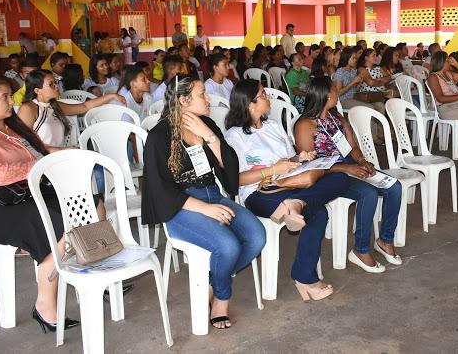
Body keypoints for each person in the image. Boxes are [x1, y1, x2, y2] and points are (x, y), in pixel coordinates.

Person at [142, 75, 265, 328]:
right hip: (181, 207)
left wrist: (210, 136)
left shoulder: (206, 125)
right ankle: (221, 297)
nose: (209, 98)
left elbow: (230, 177)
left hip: (213, 196)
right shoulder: (159, 136)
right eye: (202, 94)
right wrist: (206, 209)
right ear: (183, 100)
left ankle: (211, 280)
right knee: (228, 246)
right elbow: (160, 190)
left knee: (257, 236)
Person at [0, 74, 80, 332]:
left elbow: (41, 151)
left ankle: (93, 272)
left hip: (24, 193)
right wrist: (42, 166)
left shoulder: (10, 127)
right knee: (56, 222)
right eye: (5, 97)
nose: (12, 101)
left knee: (87, 203)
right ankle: (45, 305)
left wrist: (71, 152)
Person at [225, 79, 346, 301]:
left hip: (290, 184)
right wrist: (272, 171)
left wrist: (298, 158)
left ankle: (296, 205)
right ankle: (305, 278)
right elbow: (235, 180)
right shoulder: (235, 136)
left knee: (339, 176)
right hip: (259, 192)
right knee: (319, 212)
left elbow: (288, 160)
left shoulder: (274, 126)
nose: (268, 97)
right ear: (250, 104)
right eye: (263, 95)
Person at [295, 76, 403, 273]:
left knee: (393, 186)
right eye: (335, 90)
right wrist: (346, 168)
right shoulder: (305, 125)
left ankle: (384, 240)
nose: (338, 92)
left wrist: (362, 161)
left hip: (348, 166)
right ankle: (360, 250)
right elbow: (308, 166)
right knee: (368, 193)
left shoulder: (337, 119)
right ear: (327, 95)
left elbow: (352, 147)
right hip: (326, 175)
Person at [19, 69, 125, 149]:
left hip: (58, 156)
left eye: (56, 82)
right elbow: (25, 144)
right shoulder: (28, 108)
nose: (56, 86)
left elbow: (84, 107)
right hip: (42, 161)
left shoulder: (54, 106)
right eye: (51, 84)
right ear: (37, 90)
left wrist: (111, 96)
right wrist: (63, 151)